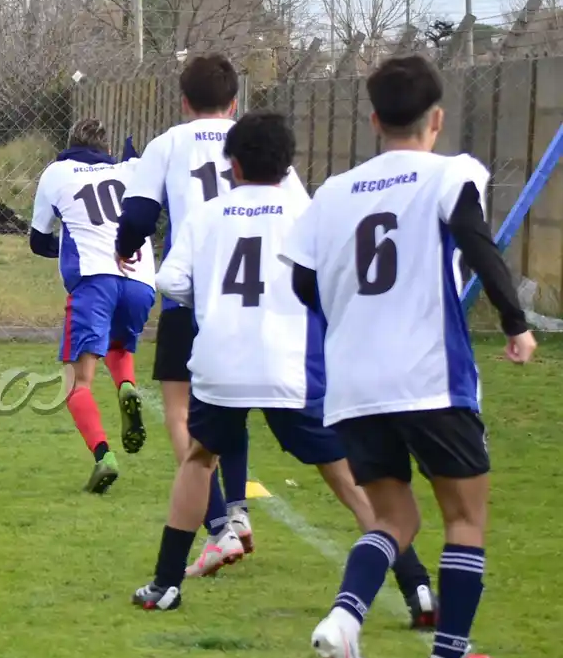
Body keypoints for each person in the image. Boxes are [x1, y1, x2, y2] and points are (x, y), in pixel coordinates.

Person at [288, 54, 536, 658]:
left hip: (353, 382)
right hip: (429, 376)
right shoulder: (450, 172)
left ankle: (345, 618)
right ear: (437, 118)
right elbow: (477, 242)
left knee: (395, 517)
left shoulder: (334, 192)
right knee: (464, 517)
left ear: (373, 119)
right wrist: (517, 322)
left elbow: (303, 283)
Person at [133, 112, 430, 613]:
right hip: (291, 364)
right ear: (289, 163)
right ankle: (417, 586)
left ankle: (166, 584)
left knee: (199, 459)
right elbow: (337, 285)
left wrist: (212, 300)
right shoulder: (309, 215)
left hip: (221, 363)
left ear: (233, 163)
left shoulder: (208, 215)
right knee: (344, 473)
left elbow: (170, 281)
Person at [115, 55, 257, 563]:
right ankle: (237, 509)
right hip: (248, 293)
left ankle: (218, 523)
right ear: (235, 102)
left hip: (190, 290)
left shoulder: (169, 143)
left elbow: (138, 213)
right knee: (232, 403)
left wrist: (126, 246)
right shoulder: (254, 138)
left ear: (183, 101)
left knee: (181, 410)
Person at [29, 118, 155, 492]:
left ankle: (104, 456)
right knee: (119, 344)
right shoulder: (130, 169)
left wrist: (69, 245)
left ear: (69, 144)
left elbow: (38, 240)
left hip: (93, 281)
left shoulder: (57, 172)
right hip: (142, 279)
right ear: (106, 149)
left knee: (76, 381)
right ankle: (127, 386)